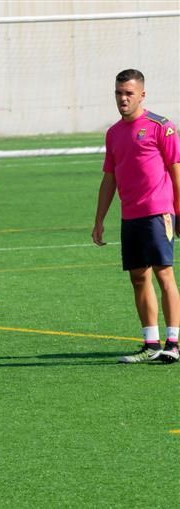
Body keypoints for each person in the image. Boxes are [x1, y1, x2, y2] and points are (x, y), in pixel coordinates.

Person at [92, 69, 180, 364]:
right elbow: (109, 178)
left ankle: (174, 343)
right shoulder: (113, 133)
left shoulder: (161, 127)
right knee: (138, 277)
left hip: (158, 213)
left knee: (164, 273)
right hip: (130, 216)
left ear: (142, 94)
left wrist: (179, 211)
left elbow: (176, 172)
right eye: (118, 93)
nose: (123, 99)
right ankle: (150, 343)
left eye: (129, 93)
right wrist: (99, 219)